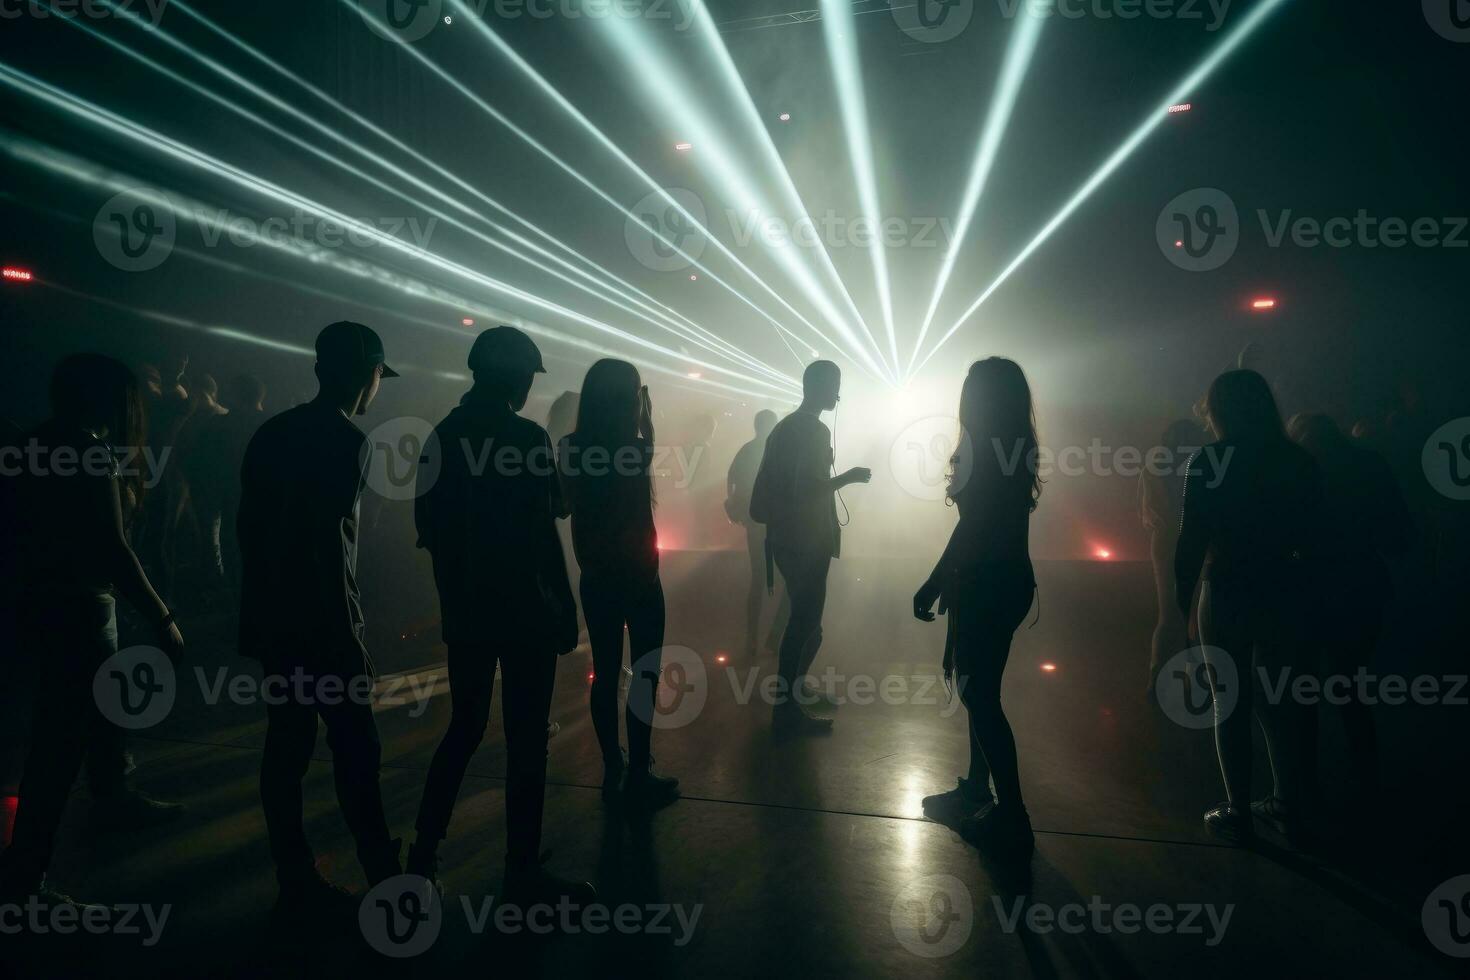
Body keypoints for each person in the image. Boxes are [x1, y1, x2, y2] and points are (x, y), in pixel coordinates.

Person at [407, 326, 593, 905]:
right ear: (513, 376)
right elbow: (545, 534)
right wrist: (565, 612)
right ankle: (521, 870)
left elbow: (431, 534)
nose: (527, 388)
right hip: (526, 613)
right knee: (526, 738)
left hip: (467, 610)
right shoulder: (527, 438)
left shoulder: (442, 437)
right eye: (526, 377)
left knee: (463, 728)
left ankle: (422, 856)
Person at [0, 355, 186, 910]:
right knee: (59, 748)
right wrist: (163, 616)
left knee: (92, 720)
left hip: (43, 605)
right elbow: (114, 549)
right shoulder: (89, 452)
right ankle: (24, 878)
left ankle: (111, 797)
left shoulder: (35, 443)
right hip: (80, 610)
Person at [237, 322, 402, 913]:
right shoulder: (346, 441)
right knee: (357, 747)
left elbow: (248, 533)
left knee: (286, 746)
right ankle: (385, 879)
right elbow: (328, 544)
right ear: (369, 375)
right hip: (323, 625)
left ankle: (295, 876)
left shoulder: (272, 433)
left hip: (276, 619)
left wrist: (254, 613)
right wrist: (347, 631)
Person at [1175, 370, 1323, 842]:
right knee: (1276, 700)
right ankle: (1288, 802)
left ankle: (1237, 807)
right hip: (1284, 586)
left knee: (1228, 700)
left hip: (1226, 587)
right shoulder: (1297, 460)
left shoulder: (1208, 461)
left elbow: (1190, 543)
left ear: (1217, 411)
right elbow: (1316, 536)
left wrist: (1182, 606)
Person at [913, 358, 1041, 853]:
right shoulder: (1013, 446)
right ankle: (976, 788)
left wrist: (933, 581)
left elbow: (972, 526)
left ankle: (1012, 813)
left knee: (979, 695)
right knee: (980, 688)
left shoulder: (984, 450)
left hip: (987, 583)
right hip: (1004, 580)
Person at [558, 359, 680, 807]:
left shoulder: (570, 446)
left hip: (597, 574)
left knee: (605, 673)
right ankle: (642, 766)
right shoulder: (637, 446)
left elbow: (566, 505)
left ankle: (613, 762)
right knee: (645, 670)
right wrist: (645, 416)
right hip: (641, 574)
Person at [1287, 413, 1412, 803]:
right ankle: (1365, 776)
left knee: (1296, 690)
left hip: (1305, 590)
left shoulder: (1296, 470)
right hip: (1362, 588)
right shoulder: (1369, 464)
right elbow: (1400, 536)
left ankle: (1301, 784)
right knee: (1350, 687)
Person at [749, 361, 870, 734]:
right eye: (834, 385)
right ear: (817, 387)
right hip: (805, 540)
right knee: (804, 623)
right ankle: (787, 710)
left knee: (808, 623)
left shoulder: (788, 427)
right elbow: (804, 489)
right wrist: (847, 477)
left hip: (791, 538)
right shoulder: (811, 430)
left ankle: (794, 696)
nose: (838, 394)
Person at [1140, 419, 1206, 697]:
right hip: (1197, 540)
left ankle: (1155, 678)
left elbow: (1150, 510)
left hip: (1164, 541)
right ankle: (1196, 680)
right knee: (1196, 612)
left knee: (1167, 614)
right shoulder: (1203, 461)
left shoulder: (1154, 462)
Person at [191, 374, 267, 592]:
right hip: (265, 501)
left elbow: (201, 460)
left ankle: (230, 596)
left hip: (229, 497)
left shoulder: (220, 424)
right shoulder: (272, 423)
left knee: (231, 549)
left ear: (235, 395)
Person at [726, 410, 788, 661]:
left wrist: (734, 506)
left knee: (758, 581)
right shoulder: (777, 450)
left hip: (755, 523)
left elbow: (730, 479)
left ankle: (752, 641)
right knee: (789, 583)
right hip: (778, 525)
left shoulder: (747, 449)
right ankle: (774, 638)